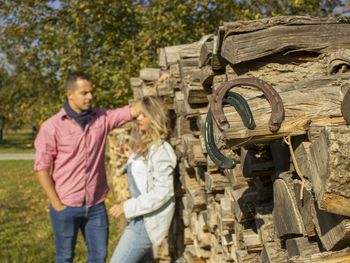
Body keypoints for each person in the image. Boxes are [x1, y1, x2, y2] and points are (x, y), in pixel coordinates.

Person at [33, 71, 142, 263]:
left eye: (91, 92)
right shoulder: (52, 127)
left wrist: (159, 85)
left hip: (96, 206)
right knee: (65, 257)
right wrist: (57, 204)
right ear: (70, 94)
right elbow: (42, 168)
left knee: (99, 257)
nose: (90, 96)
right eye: (84, 93)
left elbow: (131, 111)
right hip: (65, 205)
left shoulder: (101, 118)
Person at [109, 96, 177, 263]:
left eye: (143, 115)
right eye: (138, 115)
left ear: (154, 117)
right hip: (138, 219)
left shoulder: (162, 150)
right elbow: (145, 175)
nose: (138, 118)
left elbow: (163, 191)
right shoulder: (149, 146)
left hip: (145, 224)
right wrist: (131, 157)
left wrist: (126, 206)